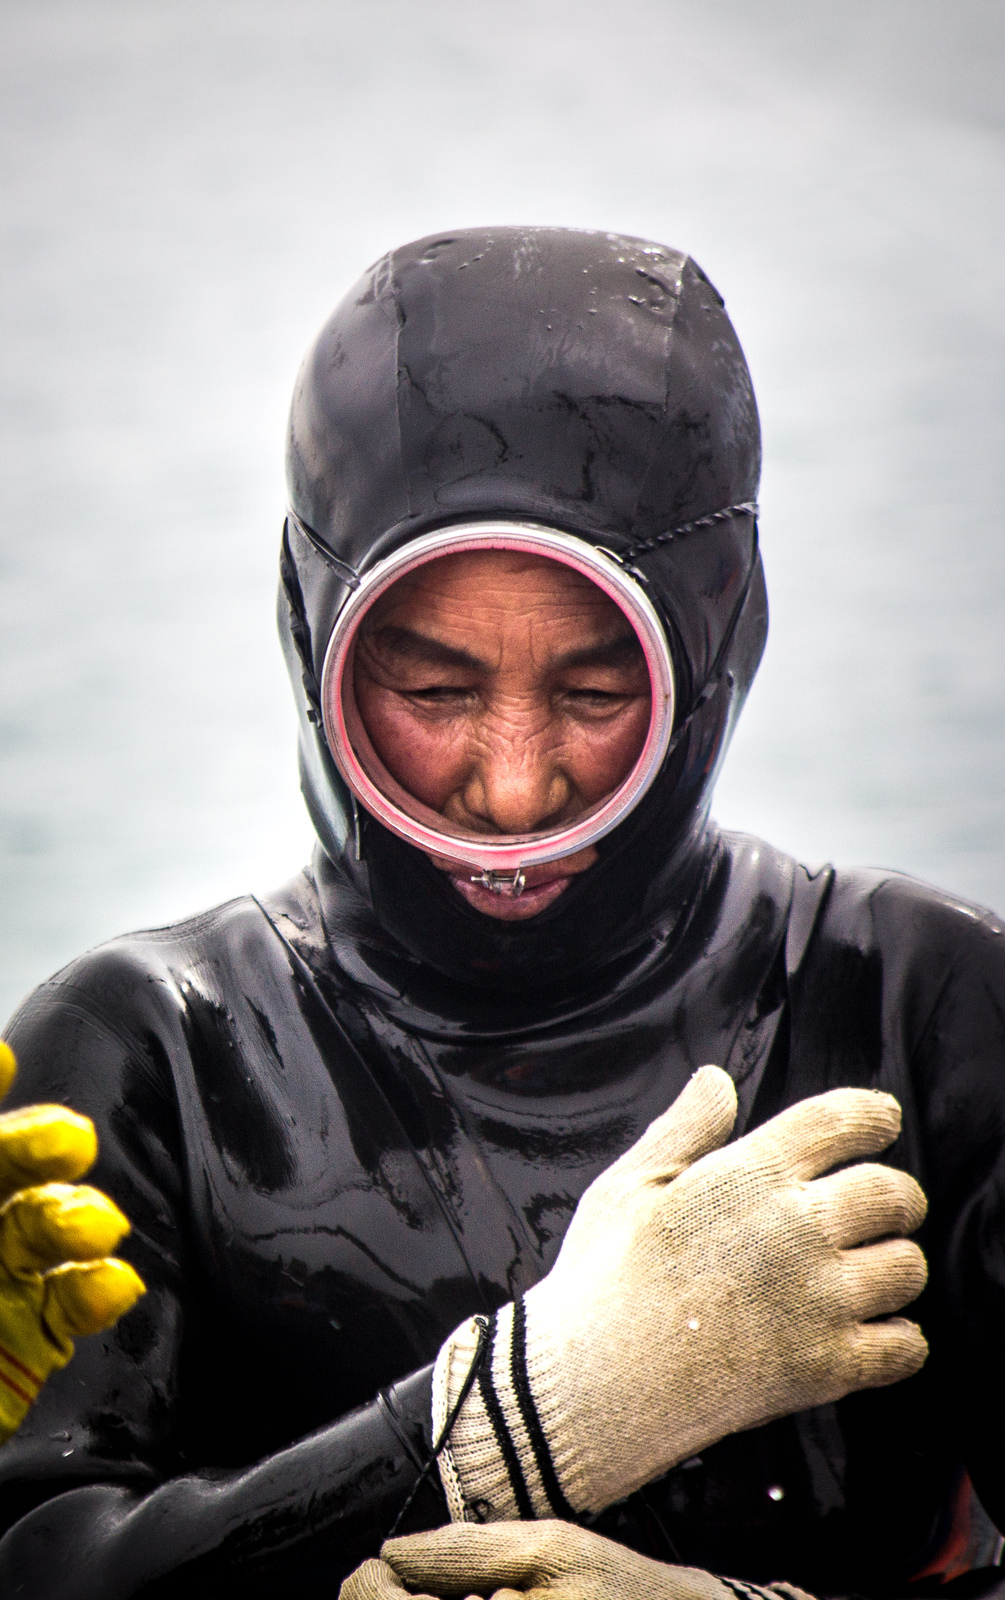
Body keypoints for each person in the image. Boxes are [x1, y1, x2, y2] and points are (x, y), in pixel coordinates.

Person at [0, 226, 1003, 1600]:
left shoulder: (923, 1008)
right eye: (433, 691)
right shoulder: (147, 1055)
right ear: (311, 632)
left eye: (594, 694)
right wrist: (527, 1418)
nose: (517, 787)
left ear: (722, 646)